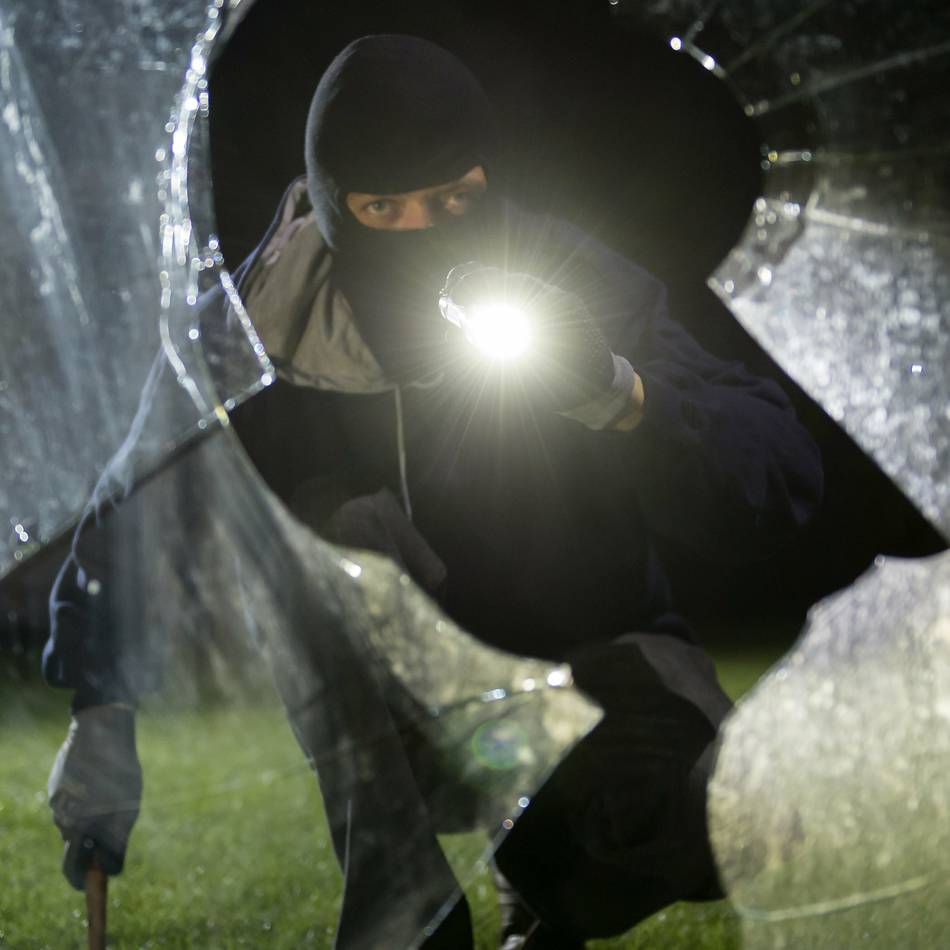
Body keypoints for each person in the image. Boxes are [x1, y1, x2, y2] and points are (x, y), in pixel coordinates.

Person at [43, 34, 823, 949]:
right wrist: (100, 706)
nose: (424, 229)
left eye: (454, 197)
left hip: (586, 661)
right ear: (335, 204)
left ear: (486, 178)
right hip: (400, 708)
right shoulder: (256, 333)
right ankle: (409, 916)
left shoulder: (568, 278)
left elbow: (779, 469)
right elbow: (138, 503)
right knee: (336, 536)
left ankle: (545, 883)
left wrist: (622, 396)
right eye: (385, 206)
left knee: (722, 832)